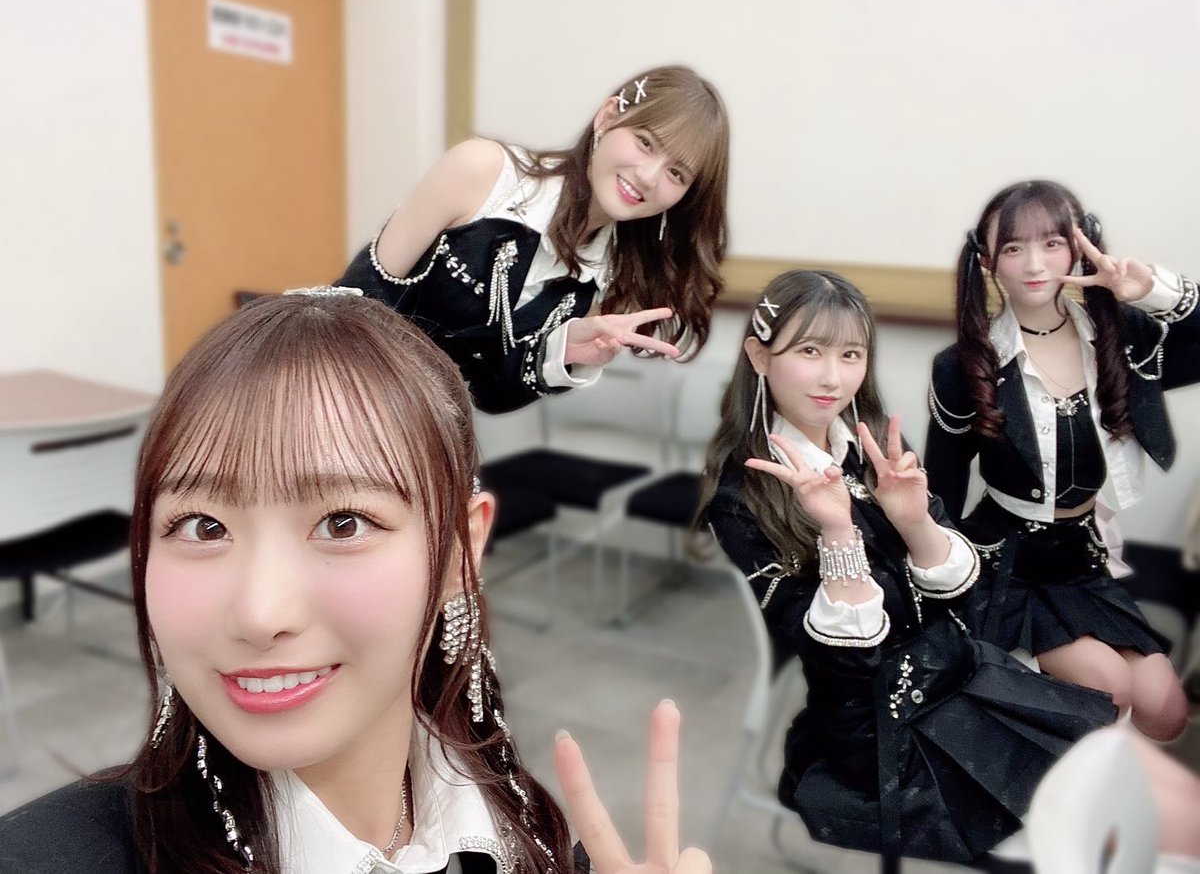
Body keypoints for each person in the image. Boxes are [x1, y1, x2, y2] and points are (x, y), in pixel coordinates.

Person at [0, 289, 710, 874]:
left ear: (460, 552)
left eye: (343, 523)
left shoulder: (526, 833)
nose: (260, 613)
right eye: (203, 526)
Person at [699, 269, 1118, 864]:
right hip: (879, 724)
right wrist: (839, 531)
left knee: (1105, 769)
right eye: (809, 351)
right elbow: (844, 663)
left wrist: (916, 520)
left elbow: (961, 596)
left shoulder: (870, 446)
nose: (833, 377)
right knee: (1067, 825)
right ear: (760, 356)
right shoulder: (744, 496)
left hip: (951, 671)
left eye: (851, 355)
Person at [924, 181, 1198, 741]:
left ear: (1079, 246)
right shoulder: (963, 365)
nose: (1034, 264)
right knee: (1109, 691)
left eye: (1052, 243)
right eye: (1013, 247)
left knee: (1167, 711)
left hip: (1082, 556)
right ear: (987, 261)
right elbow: (941, 491)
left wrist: (1149, 288)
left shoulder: (1119, 335)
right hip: (1007, 561)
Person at [336, 65, 729, 414]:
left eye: (676, 173)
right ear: (608, 117)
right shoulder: (483, 173)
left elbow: (490, 396)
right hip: (340, 400)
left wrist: (562, 350)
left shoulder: (610, 276)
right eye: (645, 142)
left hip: (430, 442)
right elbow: (352, 303)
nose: (648, 176)